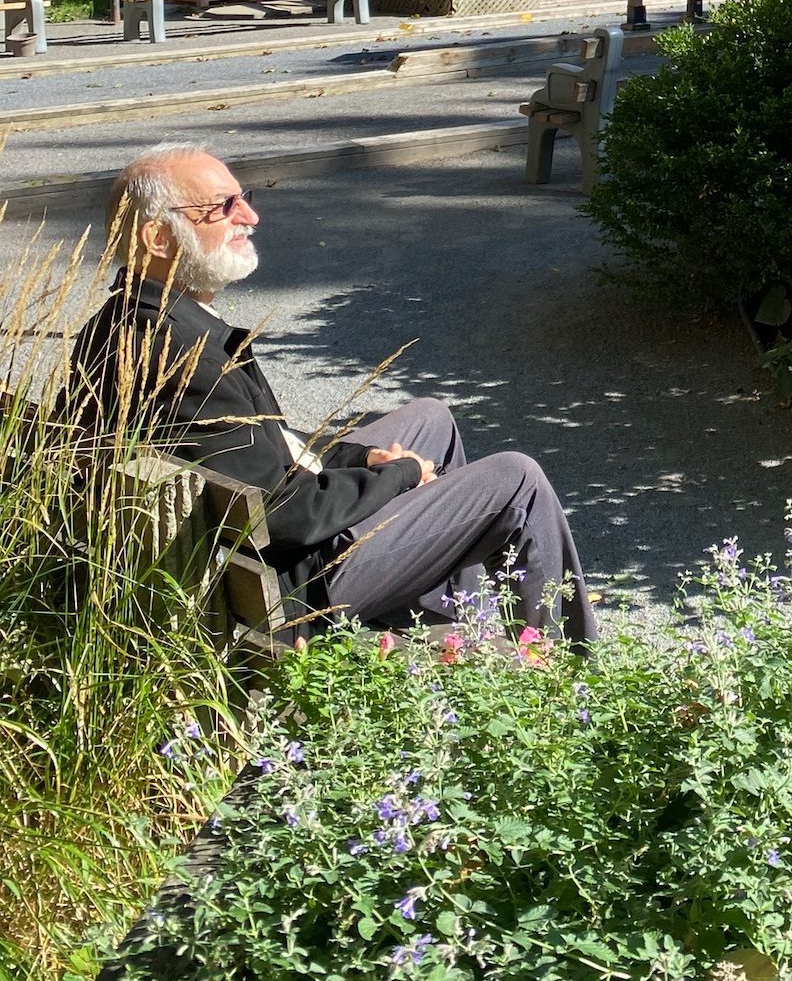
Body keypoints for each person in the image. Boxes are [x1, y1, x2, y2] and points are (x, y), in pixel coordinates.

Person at [64, 142, 597, 646]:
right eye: (223, 207)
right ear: (158, 239)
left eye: (244, 198)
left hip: (269, 551)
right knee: (515, 480)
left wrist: (361, 457)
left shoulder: (133, 322)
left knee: (429, 418)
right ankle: (567, 676)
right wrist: (397, 476)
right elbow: (280, 516)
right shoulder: (182, 353)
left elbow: (262, 450)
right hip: (295, 591)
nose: (250, 217)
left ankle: (454, 626)